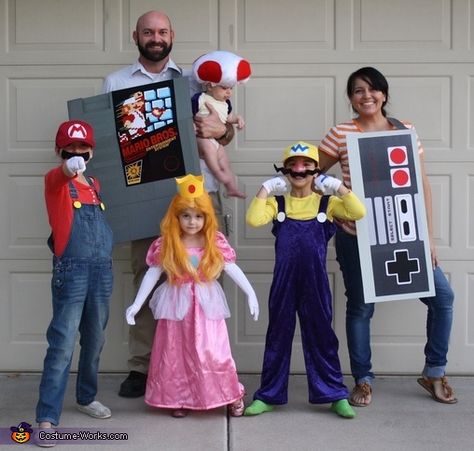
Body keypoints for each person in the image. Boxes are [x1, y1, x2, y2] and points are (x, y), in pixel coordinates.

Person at [102, 10, 234, 397]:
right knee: (149, 274)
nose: (155, 38)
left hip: (196, 194)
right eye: (148, 32)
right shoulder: (116, 82)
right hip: (142, 194)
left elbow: (221, 132)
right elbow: (111, 142)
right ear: (136, 36)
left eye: (161, 31)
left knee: (207, 275)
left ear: (172, 35)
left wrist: (222, 129)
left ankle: (208, 362)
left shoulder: (194, 78)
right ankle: (142, 368)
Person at [318, 66, 457, 406]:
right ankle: (363, 380)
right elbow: (310, 176)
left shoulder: (406, 131)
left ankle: (434, 371)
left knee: (442, 297)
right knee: (362, 306)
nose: (366, 96)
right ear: (351, 98)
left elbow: (419, 183)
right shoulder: (341, 133)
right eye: (358, 91)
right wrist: (336, 206)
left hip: (403, 234)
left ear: (384, 93)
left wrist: (428, 238)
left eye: (372, 89)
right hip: (357, 236)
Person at [244, 141, 366, 418]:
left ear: (316, 170)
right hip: (284, 282)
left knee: (322, 336)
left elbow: (358, 212)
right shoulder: (278, 203)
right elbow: (253, 219)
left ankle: (335, 394)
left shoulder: (328, 202)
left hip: (316, 282)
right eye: (294, 165)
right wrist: (265, 189)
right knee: (277, 336)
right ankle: (268, 395)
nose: (300, 170)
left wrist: (338, 187)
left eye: (307, 165)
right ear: (285, 170)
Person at [125, 174, 259, 418]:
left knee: (213, 351)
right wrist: (136, 304)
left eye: (198, 216)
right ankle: (178, 396)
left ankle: (230, 394)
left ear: (207, 217)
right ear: (175, 217)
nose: (192, 222)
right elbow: (153, 273)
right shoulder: (167, 243)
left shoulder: (214, 242)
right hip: (176, 304)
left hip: (206, 305)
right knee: (174, 353)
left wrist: (250, 293)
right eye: (186, 215)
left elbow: (231, 267)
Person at [35, 120, 113, 443]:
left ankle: (85, 397)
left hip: (101, 271)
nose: (78, 152)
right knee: (63, 344)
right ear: (59, 151)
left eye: (83, 147)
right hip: (72, 272)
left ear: (92, 150)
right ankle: (46, 418)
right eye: (70, 148)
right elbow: (59, 175)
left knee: (94, 340)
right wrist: (67, 169)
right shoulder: (55, 183)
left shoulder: (95, 185)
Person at [191, 51, 251, 199]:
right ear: (210, 86)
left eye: (231, 88)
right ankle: (218, 174)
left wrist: (238, 118)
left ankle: (230, 187)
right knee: (210, 153)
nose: (229, 93)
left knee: (224, 159)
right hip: (203, 138)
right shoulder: (200, 98)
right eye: (224, 88)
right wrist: (192, 125)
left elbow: (228, 117)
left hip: (216, 140)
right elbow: (188, 115)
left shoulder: (225, 103)